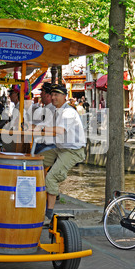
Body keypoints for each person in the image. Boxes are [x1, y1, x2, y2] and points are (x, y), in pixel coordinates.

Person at [33, 84, 86, 222]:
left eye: (57, 95)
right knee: (35, 162)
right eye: (52, 95)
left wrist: (40, 130)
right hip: (60, 147)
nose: (54, 97)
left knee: (51, 177)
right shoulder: (56, 110)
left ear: (64, 97)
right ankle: (40, 197)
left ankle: (48, 215)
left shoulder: (68, 112)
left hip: (72, 150)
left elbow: (60, 130)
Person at [32, 82, 56, 154]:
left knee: (32, 156)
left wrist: (34, 126)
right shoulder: (45, 108)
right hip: (41, 142)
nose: (40, 94)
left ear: (48, 95)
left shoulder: (53, 109)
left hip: (50, 144)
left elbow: (45, 127)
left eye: (42, 92)